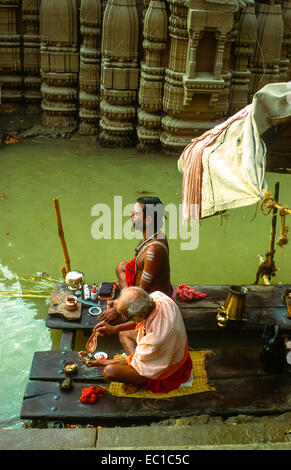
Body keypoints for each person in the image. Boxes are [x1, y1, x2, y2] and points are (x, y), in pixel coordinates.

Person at [78, 287, 192, 394]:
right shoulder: (158, 298)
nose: (125, 320)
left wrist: (99, 362)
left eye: (128, 317)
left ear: (141, 315)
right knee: (123, 333)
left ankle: (138, 379)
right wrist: (114, 329)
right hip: (170, 350)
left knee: (109, 371)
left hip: (168, 371)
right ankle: (135, 371)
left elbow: (131, 360)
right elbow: (139, 320)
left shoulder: (155, 338)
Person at [101, 196, 173, 324]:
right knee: (121, 267)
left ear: (148, 220)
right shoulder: (156, 235)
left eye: (136, 213)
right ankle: (126, 294)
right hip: (143, 289)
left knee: (111, 323)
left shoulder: (153, 251)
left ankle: (126, 299)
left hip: (150, 302)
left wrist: (117, 309)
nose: (131, 215)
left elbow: (142, 293)